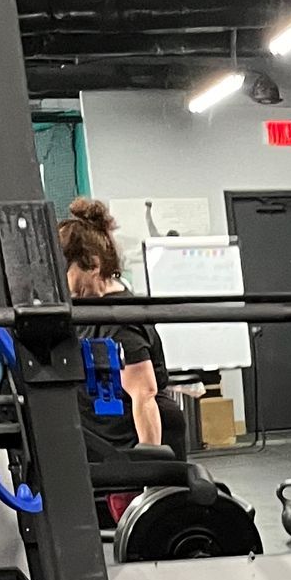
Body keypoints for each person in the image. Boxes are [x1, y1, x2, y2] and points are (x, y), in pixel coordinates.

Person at [58, 206, 163, 519]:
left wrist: (149, 478)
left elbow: (144, 394)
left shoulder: (120, 321)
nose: (64, 286)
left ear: (92, 264)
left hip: (123, 460)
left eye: (67, 273)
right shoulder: (85, 306)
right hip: (98, 451)